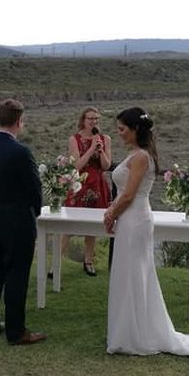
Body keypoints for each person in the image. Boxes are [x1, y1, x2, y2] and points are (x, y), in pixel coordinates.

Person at [103, 107, 189, 367]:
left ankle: (135, 335)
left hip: (135, 219)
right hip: (130, 219)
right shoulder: (136, 154)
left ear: (135, 130)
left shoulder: (141, 157)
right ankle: (127, 330)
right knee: (129, 273)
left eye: (122, 129)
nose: (119, 133)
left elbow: (130, 194)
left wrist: (111, 213)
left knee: (135, 274)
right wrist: (115, 214)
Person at [0, 98, 46, 346]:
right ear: (19, 121)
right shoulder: (20, 152)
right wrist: (35, 212)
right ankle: (16, 332)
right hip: (18, 222)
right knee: (17, 276)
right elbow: (34, 187)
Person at [63, 106, 111, 276]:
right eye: (90, 118)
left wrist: (100, 151)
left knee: (92, 225)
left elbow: (106, 166)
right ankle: (57, 262)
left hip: (98, 185)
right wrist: (90, 150)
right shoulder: (74, 139)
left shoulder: (105, 139)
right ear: (83, 120)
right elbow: (75, 166)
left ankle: (88, 261)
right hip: (80, 184)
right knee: (69, 225)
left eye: (97, 119)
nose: (94, 122)